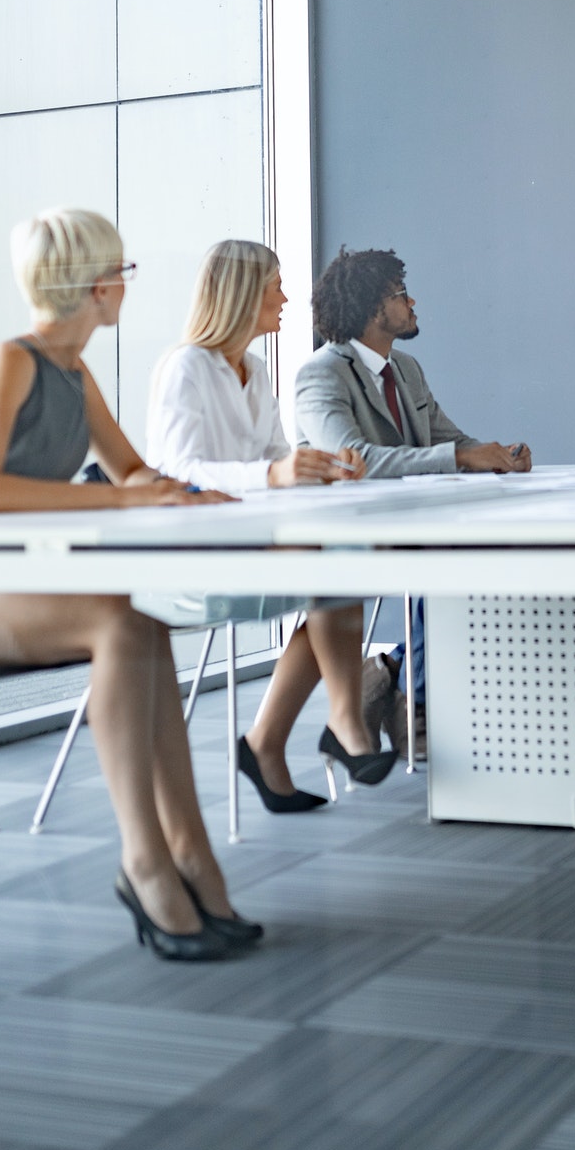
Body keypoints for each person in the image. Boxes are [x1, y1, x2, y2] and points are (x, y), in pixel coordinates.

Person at [0, 209, 258, 961]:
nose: (126, 284)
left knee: (142, 619)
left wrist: (174, 491)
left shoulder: (76, 373)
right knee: (117, 620)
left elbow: (129, 469)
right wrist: (125, 498)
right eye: (122, 271)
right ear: (98, 285)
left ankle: (191, 853)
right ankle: (143, 860)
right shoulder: (13, 361)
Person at [148, 238, 394, 808]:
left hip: (249, 541)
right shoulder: (185, 368)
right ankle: (338, 726)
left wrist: (325, 471)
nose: (286, 297)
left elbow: (274, 457)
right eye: (275, 285)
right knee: (338, 570)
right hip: (193, 550)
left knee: (343, 566)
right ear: (240, 294)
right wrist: (277, 477)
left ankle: (275, 742)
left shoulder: (254, 370)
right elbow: (178, 470)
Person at [296, 247, 531, 749]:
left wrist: (497, 454)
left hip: (416, 524)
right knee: (449, 562)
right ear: (370, 309)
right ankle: (416, 707)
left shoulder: (405, 368)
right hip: (355, 531)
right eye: (401, 295)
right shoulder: (321, 374)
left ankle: (391, 667)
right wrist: (461, 460)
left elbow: (448, 439)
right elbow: (351, 460)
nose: (412, 301)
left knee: (487, 556)